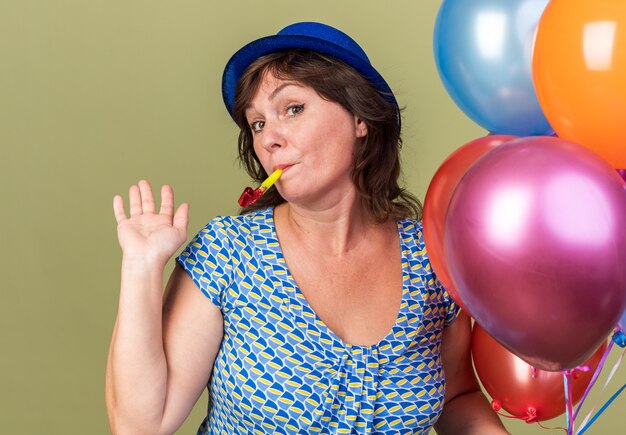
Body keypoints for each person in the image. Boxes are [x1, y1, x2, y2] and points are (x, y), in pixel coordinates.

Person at [105, 22, 509, 434]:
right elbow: (141, 426)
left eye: (292, 109)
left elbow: (457, 397)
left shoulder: (431, 258)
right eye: (257, 123)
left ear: (360, 119)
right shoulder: (228, 254)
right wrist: (141, 266)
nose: (268, 140)